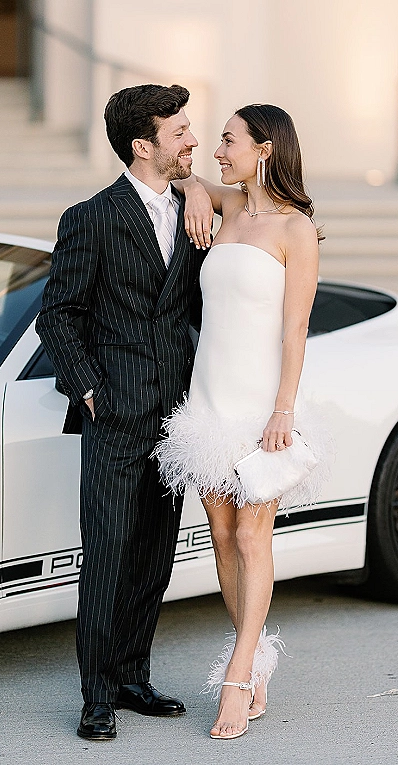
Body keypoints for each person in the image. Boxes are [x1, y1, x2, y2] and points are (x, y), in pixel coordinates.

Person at [35, 83, 213, 741]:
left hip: (176, 418)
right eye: (181, 132)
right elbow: (58, 314)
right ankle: (97, 695)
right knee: (108, 557)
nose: (193, 139)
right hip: (113, 416)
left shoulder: (193, 213)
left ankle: (134, 674)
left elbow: (191, 310)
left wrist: (197, 188)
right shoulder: (92, 217)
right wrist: (88, 389)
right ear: (143, 146)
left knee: (154, 556)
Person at [155, 104, 332, 740]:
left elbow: (295, 329)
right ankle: (257, 659)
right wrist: (198, 189)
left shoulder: (295, 229)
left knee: (254, 536)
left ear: (263, 149)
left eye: (228, 141)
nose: (218, 149)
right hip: (209, 396)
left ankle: (236, 674)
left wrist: (282, 409)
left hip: (261, 402)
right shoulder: (228, 207)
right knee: (221, 532)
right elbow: (182, 179)